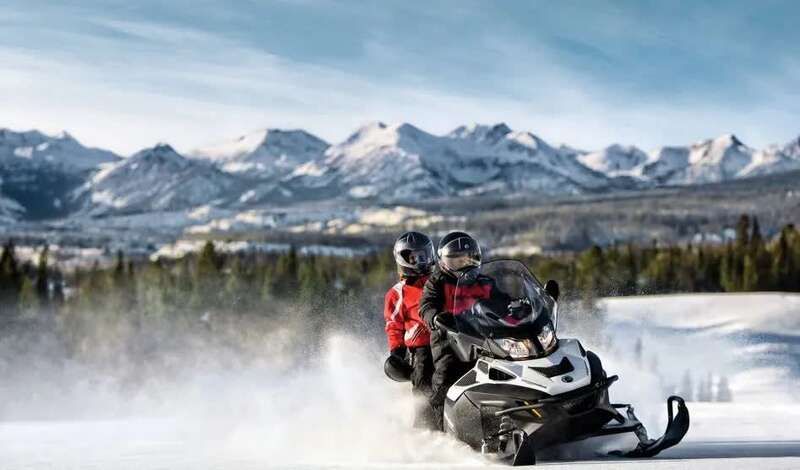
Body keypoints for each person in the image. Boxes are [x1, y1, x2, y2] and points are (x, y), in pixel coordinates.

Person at [419, 231, 489, 431]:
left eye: (467, 259)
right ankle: (437, 429)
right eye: (456, 261)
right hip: (448, 338)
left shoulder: (483, 281)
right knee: (446, 377)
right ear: (444, 261)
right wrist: (434, 317)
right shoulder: (437, 281)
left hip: (482, 338)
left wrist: (518, 308)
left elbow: (500, 300)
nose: (462, 264)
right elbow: (426, 304)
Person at [383, 231, 437, 429]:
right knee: (424, 384)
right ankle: (425, 428)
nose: (422, 261)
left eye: (425, 255)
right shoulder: (397, 293)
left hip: (451, 340)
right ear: (404, 260)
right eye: (415, 257)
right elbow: (393, 325)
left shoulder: (439, 283)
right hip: (422, 348)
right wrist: (396, 351)